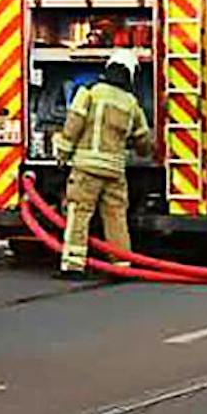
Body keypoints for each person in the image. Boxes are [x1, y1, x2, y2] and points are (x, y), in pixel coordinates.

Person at [54, 49, 153, 277]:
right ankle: (121, 265)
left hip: (86, 168)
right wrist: (145, 151)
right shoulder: (131, 104)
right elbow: (143, 141)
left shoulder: (89, 92)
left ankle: (73, 265)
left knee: (79, 213)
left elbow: (73, 124)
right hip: (114, 171)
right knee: (116, 217)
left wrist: (62, 155)